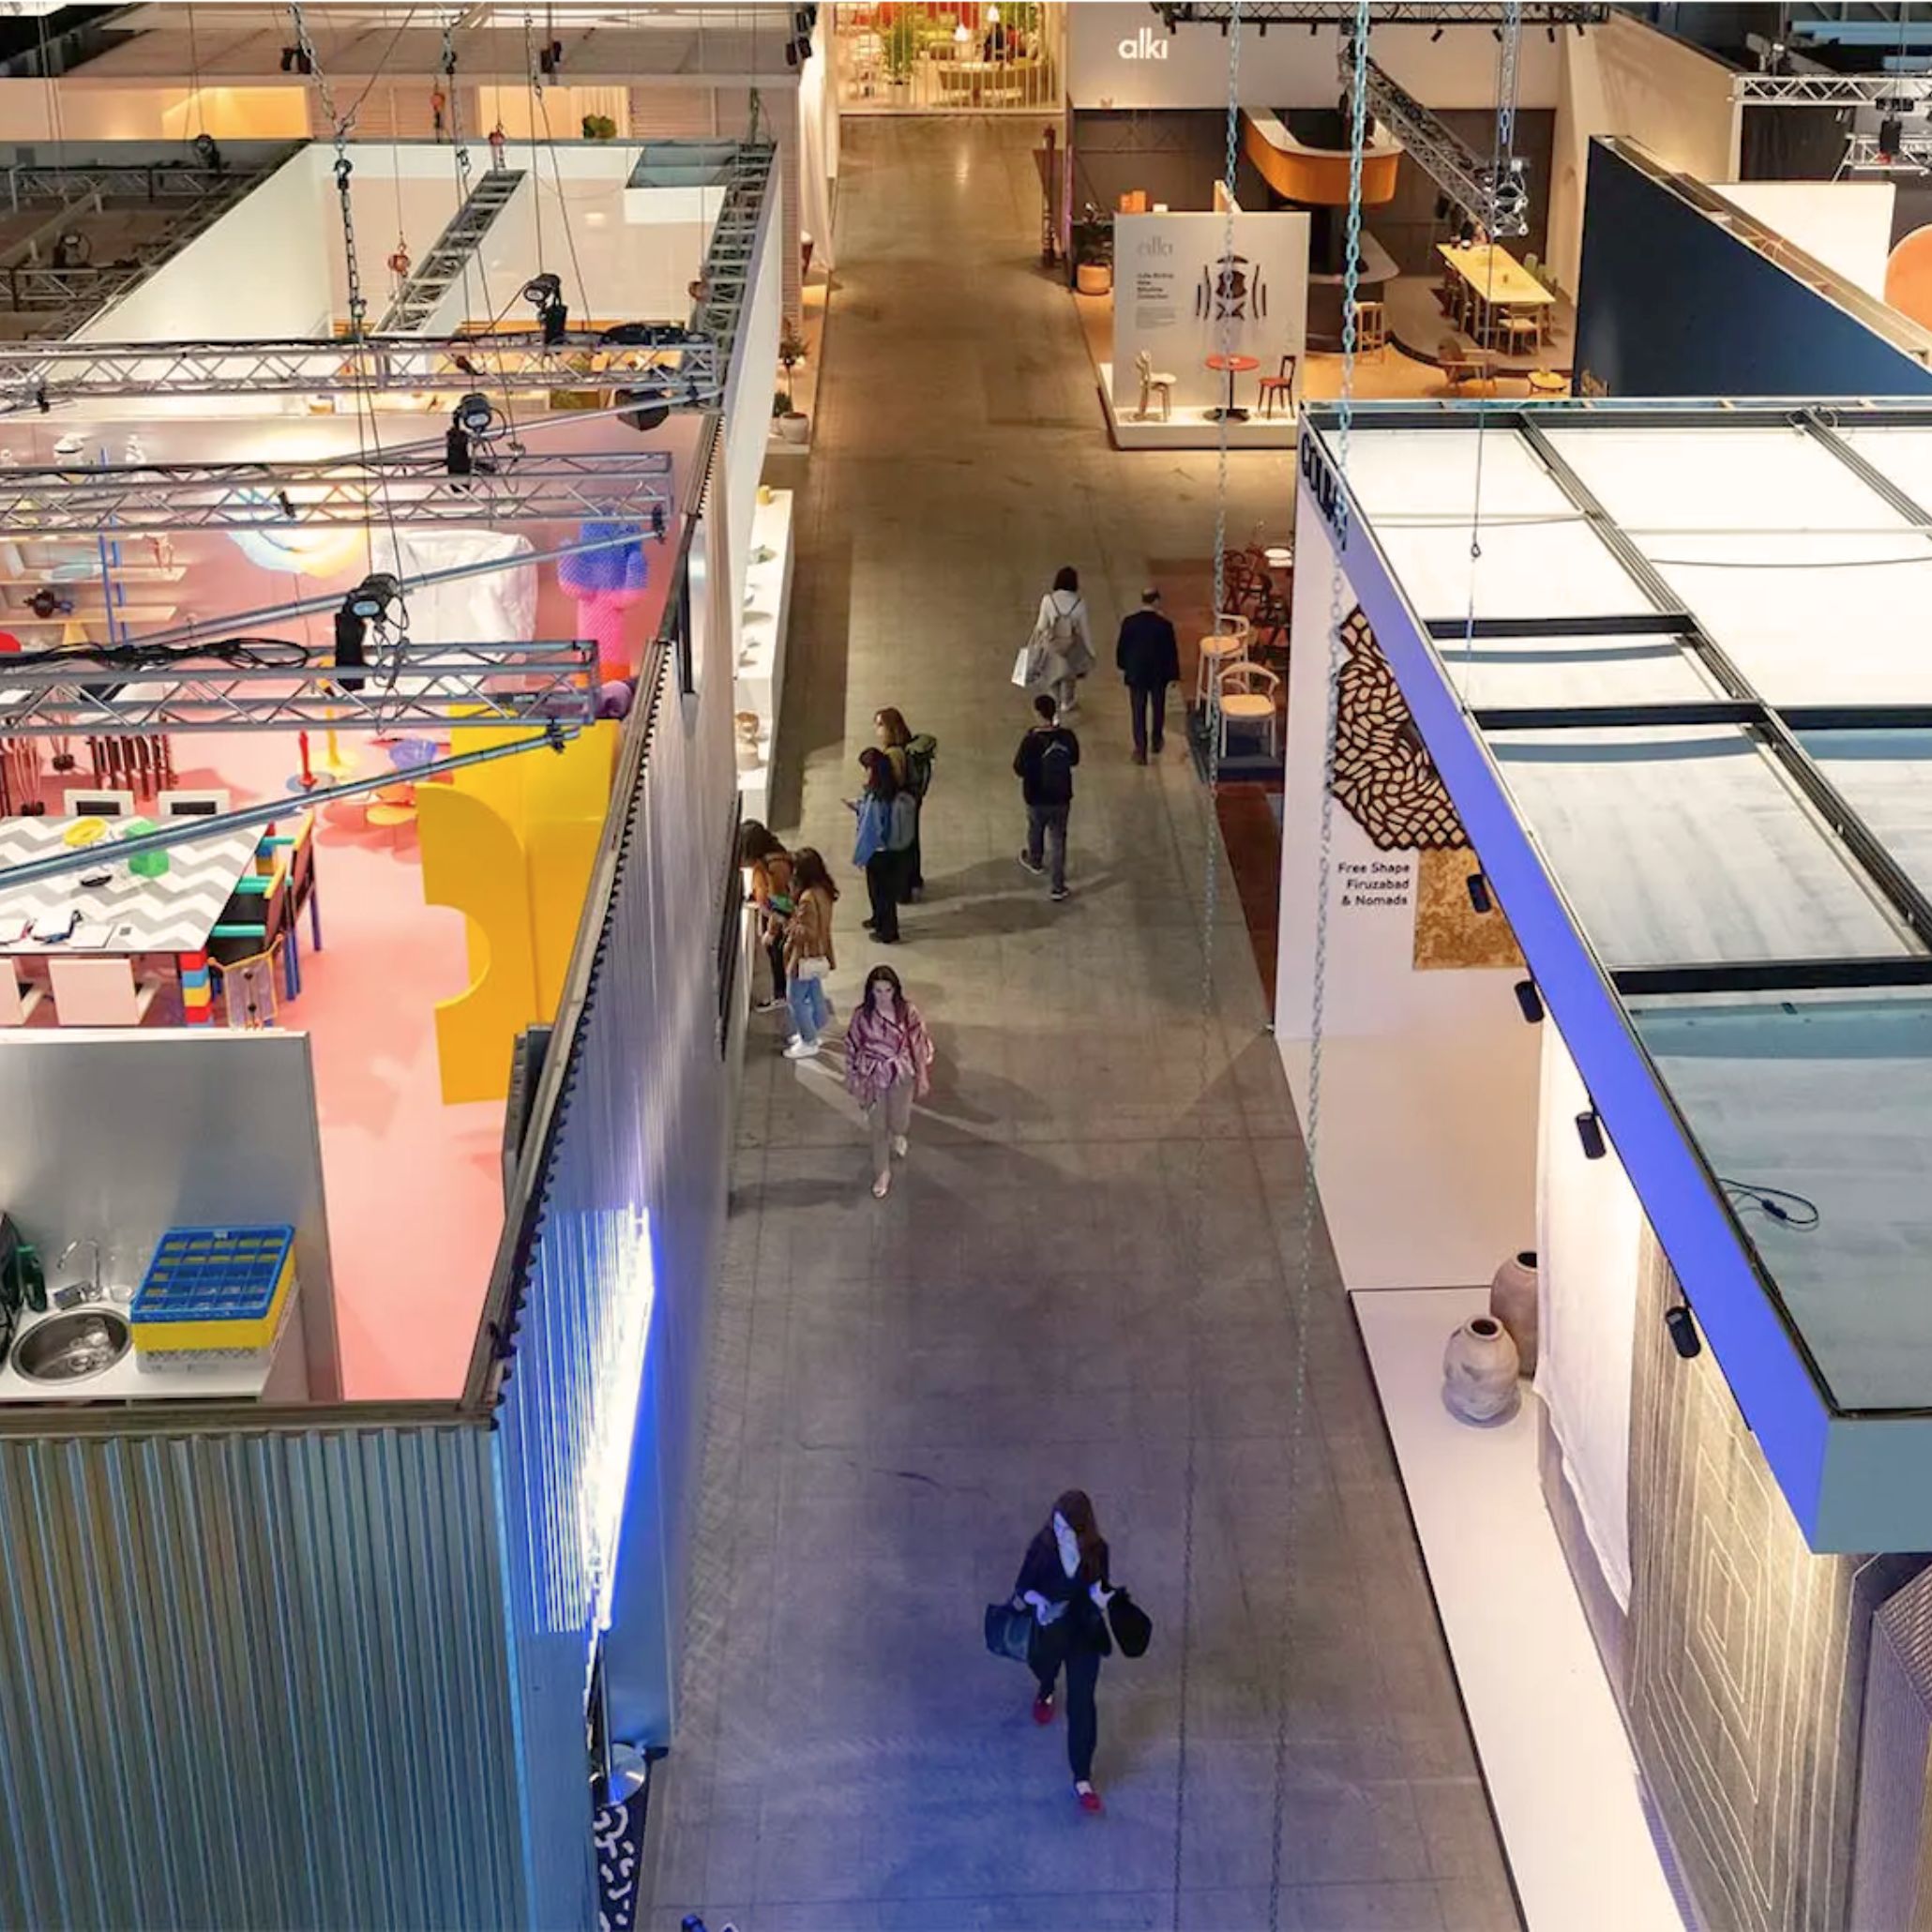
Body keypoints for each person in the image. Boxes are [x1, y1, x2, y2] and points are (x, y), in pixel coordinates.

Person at [1011, 1489, 1115, 1814]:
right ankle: (1045, 1689)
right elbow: (1022, 1587)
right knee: (1044, 1666)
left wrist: (1103, 1597)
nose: (1058, 1533)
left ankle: (1082, 1777)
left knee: (1083, 1703)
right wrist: (1039, 1603)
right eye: (1056, 1525)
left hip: (1084, 1633)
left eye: (1065, 1528)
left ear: (1082, 1528)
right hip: (1051, 1630)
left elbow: (1101, 1586)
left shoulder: (1098, 1550)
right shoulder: (1042, 1548)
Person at [843, 964, 935, 1200]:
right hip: (872, 1075)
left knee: (899, 1121)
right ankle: (882, 1172)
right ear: (870, 992)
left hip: (901, 1073)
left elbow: (918, 1043)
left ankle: (899, 1134)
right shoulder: (862, 1016)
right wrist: (853, 1079)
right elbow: (851, 1046)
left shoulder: (907, 1012)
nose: (883, 996)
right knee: (878, 1128)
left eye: (887, 990)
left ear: (895, 990)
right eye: (878, 991)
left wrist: (922, 1075)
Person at [1013, 692, 1079, 903]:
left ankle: (1036, 861)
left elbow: (1019, 768)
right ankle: (1058, 887)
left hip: (1036, 796)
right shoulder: (1067, 736)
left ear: (1038, 713)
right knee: (1058, 839)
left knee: (1035, 828)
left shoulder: (1031, 740)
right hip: (1061, 797)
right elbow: (1075, 760)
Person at [850, 748, 914, 943]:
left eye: (866, 769)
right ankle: (878, 919)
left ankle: (887, 930)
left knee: (882, 893)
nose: (864, 773)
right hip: (888, 852)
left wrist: (861, 855)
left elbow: (872, 830)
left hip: (879, 853)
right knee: (878, 891)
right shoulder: (889, 790)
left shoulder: (877, 798)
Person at [874, 706, 937, 899]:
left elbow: (895, 782)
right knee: (911, 841)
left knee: (901, 845)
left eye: (879, 725)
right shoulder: (908, 747)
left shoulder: (894, 754)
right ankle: (913, 880)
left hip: (901, 805)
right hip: (912, 802)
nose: (877, 730)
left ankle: (903, 889)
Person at [780, 848, 838, 1060]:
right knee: (814, 993)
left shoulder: (806, 898)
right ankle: (813, 1028)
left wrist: (788, 923)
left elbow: (807, 932)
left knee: (795, 999)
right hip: (820, 953)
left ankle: (809, 1039)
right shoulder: (824, 891)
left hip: (804, 956)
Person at [1115, 586, 1181, 763]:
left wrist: (1123, 665)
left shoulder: (1129, 622)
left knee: (1138, 711)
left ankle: (1140, 749)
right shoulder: (1165, 626)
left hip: (1136, 672)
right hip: (1158, 674)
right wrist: (1174, 675)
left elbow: (1122, 648)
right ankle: (1156, 740)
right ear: (1156, 601)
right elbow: (1171, 652)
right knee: (1158, 708)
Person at [738, 820, 793, 1014]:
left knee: (778, 956)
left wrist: (772, 930)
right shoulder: (767, 861)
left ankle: (782, 995)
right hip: (770, 913)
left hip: (778, 920)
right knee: (775, 956)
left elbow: (781, 902)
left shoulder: (775, 865)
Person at [1031, 566, 1095, 717]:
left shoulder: (1048, 600)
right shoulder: (1080, 603)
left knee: (1053, 679)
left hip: (1051, 645)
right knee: (1069, 676)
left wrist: (1035, 643)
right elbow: (1085, 630)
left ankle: (1055, 713)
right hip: (1070, 646)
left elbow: (1041, 625)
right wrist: (1091, 652)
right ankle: (1067, 701)